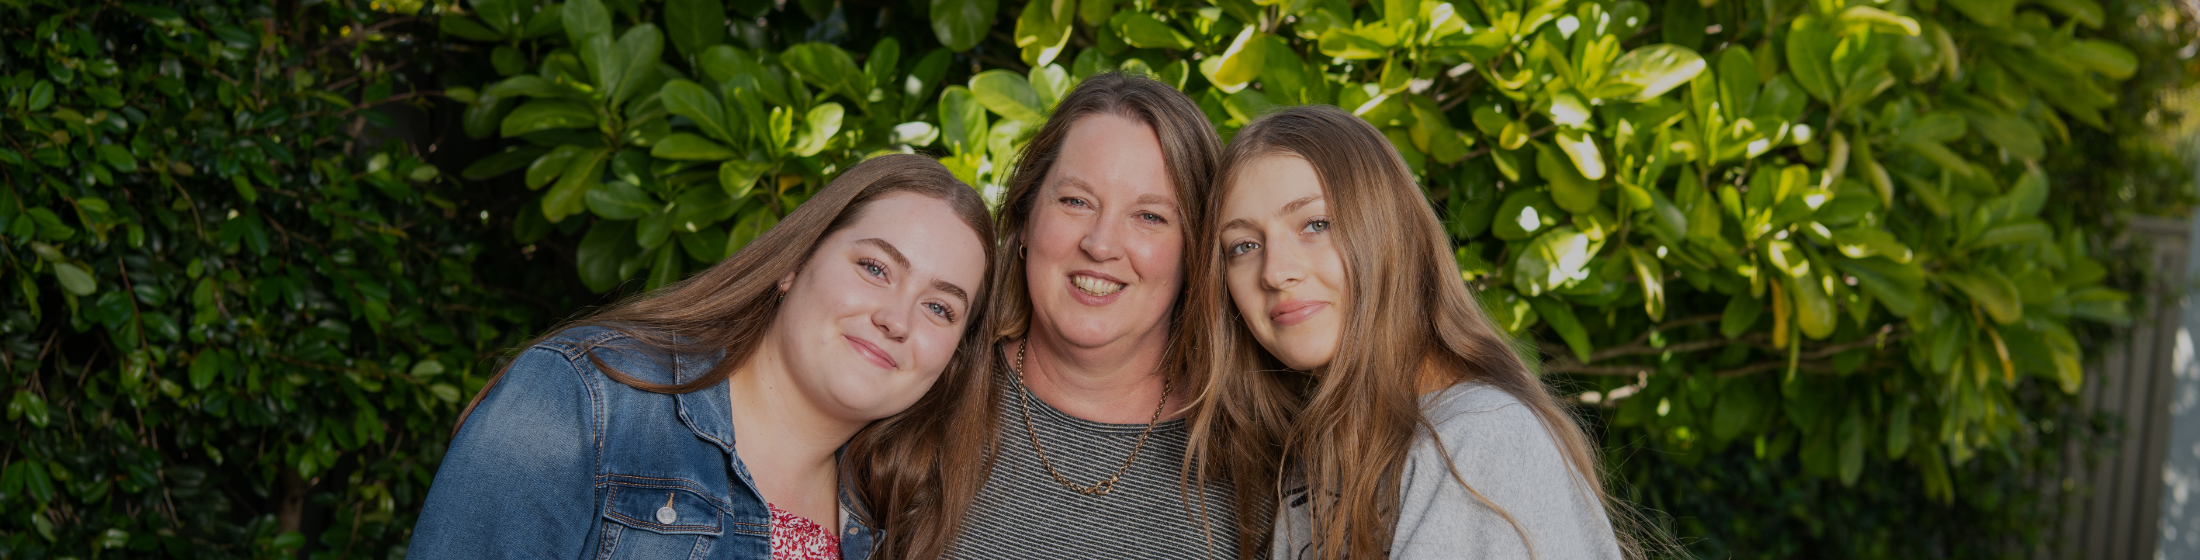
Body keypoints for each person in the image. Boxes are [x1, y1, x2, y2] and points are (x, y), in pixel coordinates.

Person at [407, 154, 996, 560]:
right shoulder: (584, 403)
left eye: (940, 309)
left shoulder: (895, 518)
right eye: (875, 268)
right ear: (793, 263)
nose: (896, 318)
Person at [848, 72, 1281, 560]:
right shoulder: (917, 387)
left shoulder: (1261, 466)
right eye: (1076, 201)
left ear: (1195, 253)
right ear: (1027, 219)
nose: (1099, 244)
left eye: (1150, 216)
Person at [1190, 105, 1631, 560]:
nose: (1275, 271)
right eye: (1244, 246)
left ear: (1389, 234)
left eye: (1316, 224)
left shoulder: (1478, 439)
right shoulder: (1319, 455)